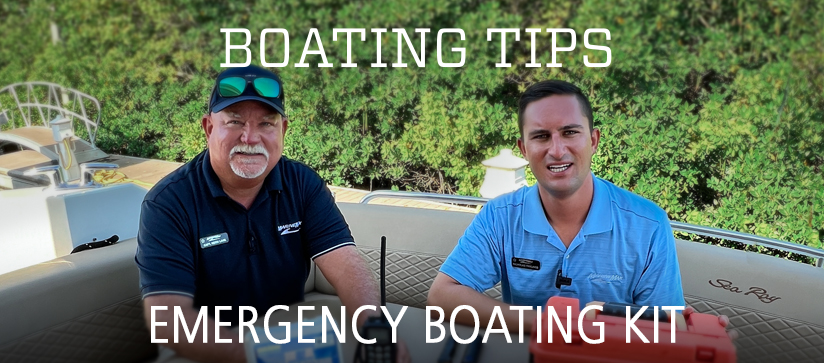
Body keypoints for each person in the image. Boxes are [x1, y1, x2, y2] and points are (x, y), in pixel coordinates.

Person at [136, 65, 408, 363]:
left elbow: (346, 263)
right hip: (205, 350)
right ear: (209, 128)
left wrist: (376, 327)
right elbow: (169, 324)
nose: (250, 138)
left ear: (283, 130)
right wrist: (265, 354)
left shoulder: (303, 184)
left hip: (287, 335)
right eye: (235, 121)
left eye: (266, 124)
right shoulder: (168, 203)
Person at [428, 80, 730, 333]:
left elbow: (669, 327)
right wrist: (551, 324)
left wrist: (698, 337)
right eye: (541, 136)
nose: (557, 151)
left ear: (594, 140)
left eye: (570, 132)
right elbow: (441, 297)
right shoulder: (499, 217)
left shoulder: (648, 225)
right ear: (523, 148)